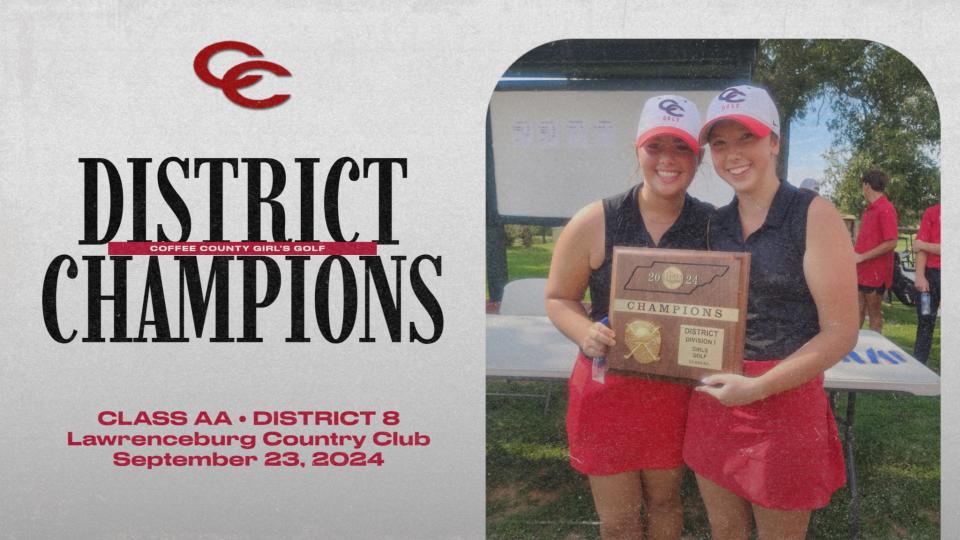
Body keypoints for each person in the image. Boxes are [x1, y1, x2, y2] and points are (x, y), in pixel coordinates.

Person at [683, 85, 859, 539]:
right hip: (718, 395)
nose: (732, 154)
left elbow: (840, 332)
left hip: (784, 398)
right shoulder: (714, 223)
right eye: (720, 143)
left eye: (747, 138)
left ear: (774, 142)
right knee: (726, 533)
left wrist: (759, 387)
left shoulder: (814, 215)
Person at [544, 95, 712, 539]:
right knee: (618, 522)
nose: (668, 160)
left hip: (674, 395)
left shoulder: (715, 227)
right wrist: (584, 332)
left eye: (681, 148)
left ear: (698, 157)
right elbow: (559, 297)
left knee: (665, 504)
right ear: (637, 148)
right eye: (655, 146)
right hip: (608, 392)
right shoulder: (595, 219)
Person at [854, 170, 899, 332]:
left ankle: (875, 353)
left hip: (876, 274)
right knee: (856, 311)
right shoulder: (869, 210)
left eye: (862, 185)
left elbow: (892, 242)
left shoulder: (886, 209)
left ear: (867, 186)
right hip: (861, 271)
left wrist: (862, 257)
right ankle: (851, 350)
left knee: (874, 313)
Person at [913, 202, 941, 364]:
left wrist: (923, 245)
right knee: (925, 319)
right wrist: (919, 276)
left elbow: (920, 245)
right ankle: (919, 365)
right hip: (930, 277)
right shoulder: (931, 212)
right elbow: (919, 249)